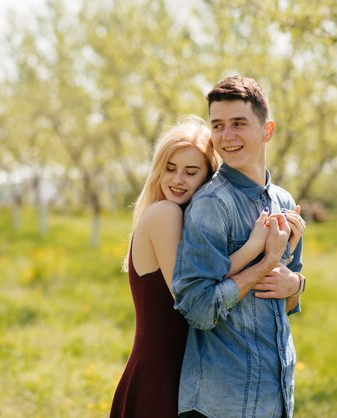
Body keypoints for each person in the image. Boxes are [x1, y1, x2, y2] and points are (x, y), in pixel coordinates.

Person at [109, 116, 304, 418]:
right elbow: (196, 289)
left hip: (189, 369)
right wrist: (256, 248)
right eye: (170, 169)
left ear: (208, 176)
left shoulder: (190, 218)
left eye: (191, 172)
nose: (177, 180)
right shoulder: (165, 213)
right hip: (160, 370)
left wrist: (292, 274)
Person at [172, 76, 306, 418]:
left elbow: (285, 299)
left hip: (276, 399)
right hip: (222, 404)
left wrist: (296, 285)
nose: (227, 136)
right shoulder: (211, 205)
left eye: (239, 124)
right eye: (218, 125)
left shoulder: (284, 201)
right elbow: (197, 308)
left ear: (267, 130)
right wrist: (264, 263)